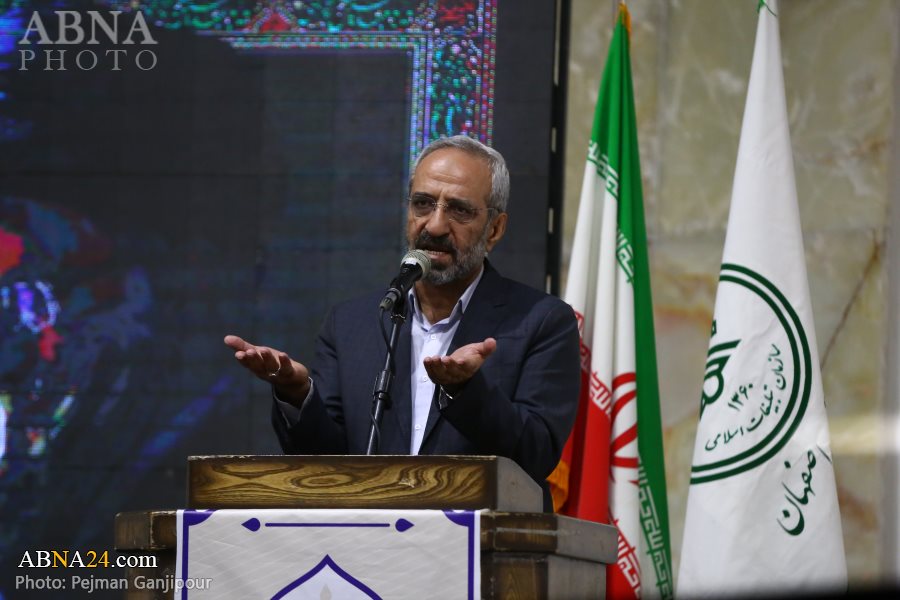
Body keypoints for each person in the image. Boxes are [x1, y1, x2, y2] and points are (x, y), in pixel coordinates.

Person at [224, 135, 580, 509]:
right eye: (423, 203)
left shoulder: (542, 322)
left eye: (459, 210)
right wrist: (297, 394)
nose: (435, 226)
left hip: (481, 540)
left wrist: (466, 391)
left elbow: (536, 454)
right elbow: (326, 463)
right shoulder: (351, 324)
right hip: (370, 539)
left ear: (494, 229)